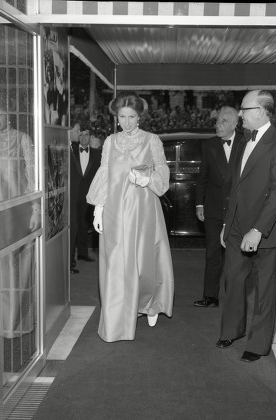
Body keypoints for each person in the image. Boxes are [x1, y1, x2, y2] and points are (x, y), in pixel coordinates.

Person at [87, 90, 174, 342]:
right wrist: (98, 208)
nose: (125, 122)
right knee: (115, 263)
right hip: (115, 209)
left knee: (142, 262)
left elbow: (162, 170)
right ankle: (116, 317)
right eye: (121, 116)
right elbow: (104, 173)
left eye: (131, 117)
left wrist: (149, 179)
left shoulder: (152, 140)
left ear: (140, 117)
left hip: (143, 208)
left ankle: (147, 303)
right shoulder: (110, 141)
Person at [217, 90, 276, 363]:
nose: (239, 114)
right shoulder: (242, 140)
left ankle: (258, 344)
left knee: (264, 288)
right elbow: (235, 188)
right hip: (237, 225)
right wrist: (227, 224)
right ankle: (231, 330)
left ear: (261, 112)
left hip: (266, 230)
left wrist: (258, 230)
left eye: (244, 109)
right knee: (233, 282)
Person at [194, 106, 245, 308]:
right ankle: (210, 296)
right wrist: (199, 203)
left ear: (234, 124)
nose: (218, 125)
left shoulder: (246, 142)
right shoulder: (209, 145)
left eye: (223, 121)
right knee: (212, 253)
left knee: (236, 255)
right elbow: (202, 178)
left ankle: (235, 296)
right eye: (217, 121)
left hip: (237, 209)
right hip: (213, 208)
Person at [69, 123, 101, 273]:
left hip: (89, 196)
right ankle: (71, 259)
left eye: (87, 134)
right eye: (81, 134)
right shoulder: (70, 150)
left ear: (91, 136)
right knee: (72, 226)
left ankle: (82, 254)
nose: (83, 137)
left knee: (84, 224)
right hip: (73, 194)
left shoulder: (97, 154)